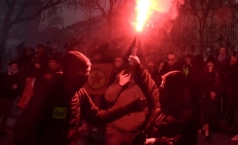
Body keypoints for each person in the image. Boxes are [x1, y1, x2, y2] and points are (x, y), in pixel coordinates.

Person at [12, 51, 146, 145]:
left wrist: (131, 107)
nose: (86, 76)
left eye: (88, 72)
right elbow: (25, 126)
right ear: (71, 72)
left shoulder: (80, 94)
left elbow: (98, 116)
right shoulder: (48, 92)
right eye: (83, 72)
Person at [128, 55, 199, 145]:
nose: (160, 86)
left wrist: (156, 142)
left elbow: (184, 141)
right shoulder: (160, 100)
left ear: (173, 88)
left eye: (163, 84)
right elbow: (150, 84)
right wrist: (138, 64)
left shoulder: (186, 116)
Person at [104, 67, 148, 145]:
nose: (126, 75)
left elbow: (144, 103)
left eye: (128, 73)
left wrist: (143, 116)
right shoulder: (115, 86)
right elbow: (109, 97)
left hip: (134, 133)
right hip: (117, 132)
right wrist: (120, 84)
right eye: (123, 73)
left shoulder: (136, 87)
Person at [0, 61, 24, 137]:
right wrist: (11, 87)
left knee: (6, 115)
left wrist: (15, 93)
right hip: (3, 97)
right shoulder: (3, 75)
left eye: (16, 66)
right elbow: (2, 86)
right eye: (13, 65)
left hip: (11, 98)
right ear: (9, 66)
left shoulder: (17, 76)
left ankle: (2, 129)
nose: (14, 67)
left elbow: (19, 86)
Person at [201, 57, 219, 141]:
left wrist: (215, 92)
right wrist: (209, 73)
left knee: (211, 113)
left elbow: (217, 84)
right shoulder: (204, 72)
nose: (210, 65)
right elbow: (205, 84)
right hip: (206, 95)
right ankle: (206, 133)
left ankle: (204, 128)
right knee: (206, 113)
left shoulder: (216, 73)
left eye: (212, 63)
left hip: (213, 95)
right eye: (209, 63)